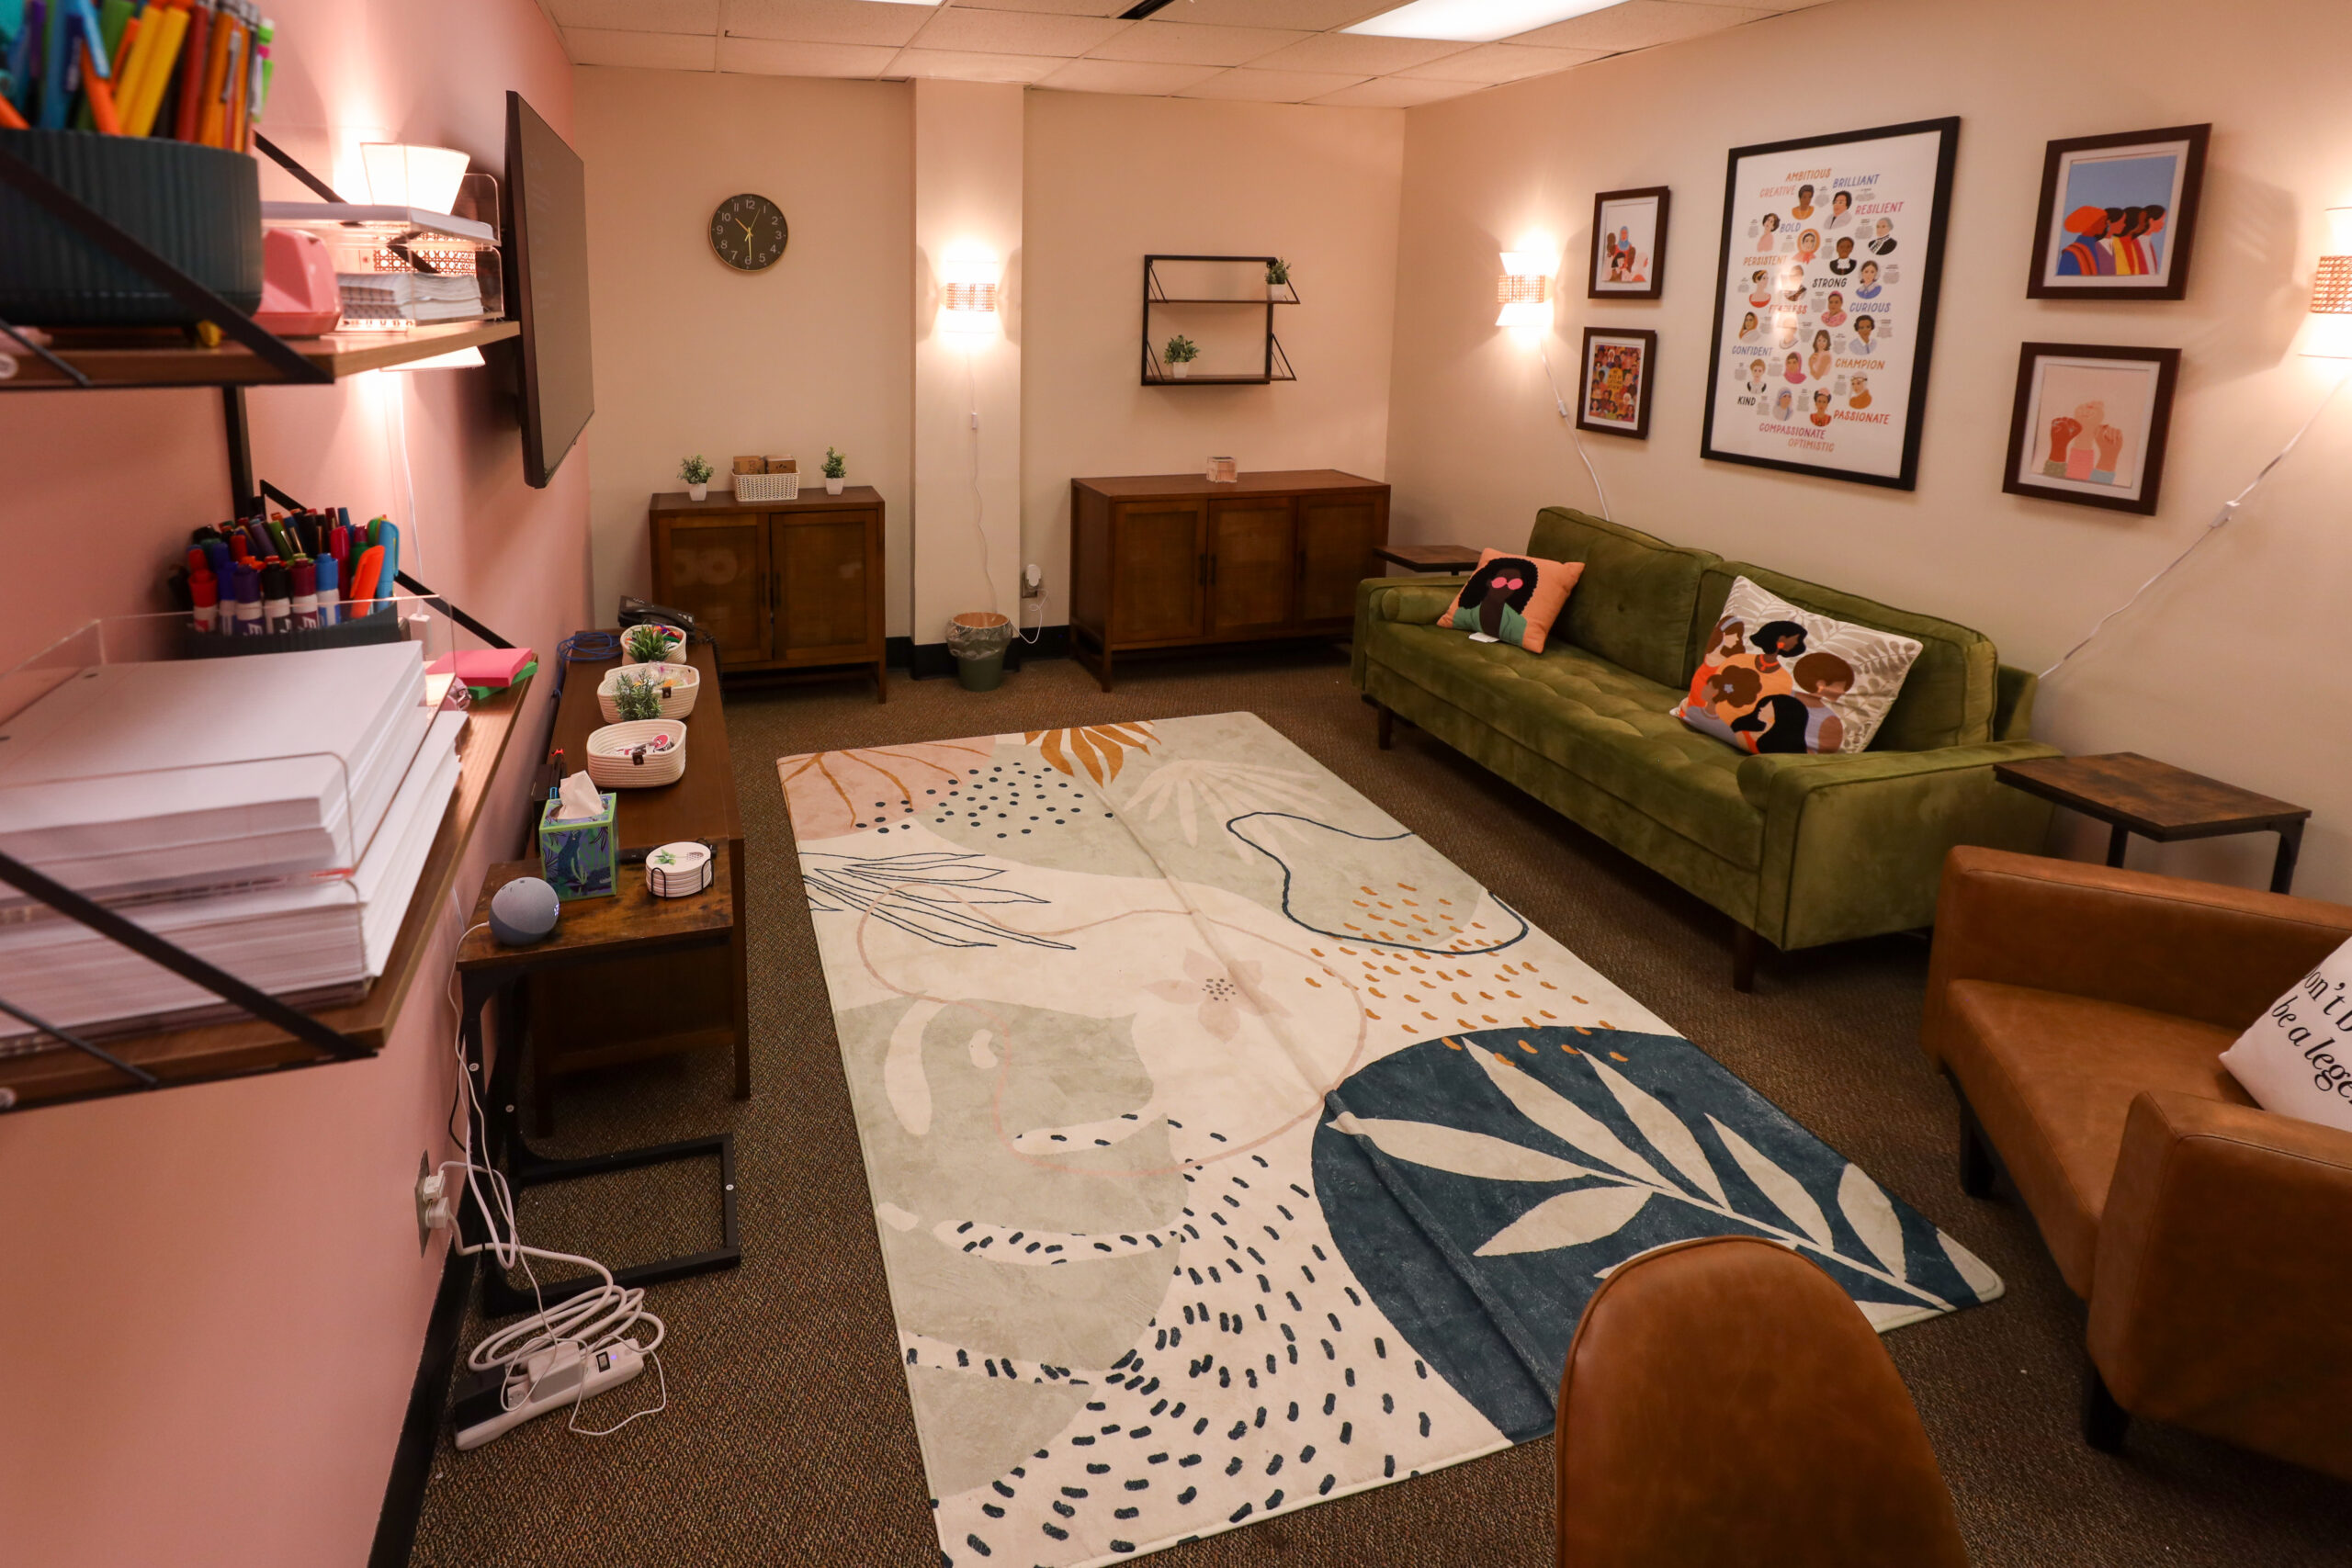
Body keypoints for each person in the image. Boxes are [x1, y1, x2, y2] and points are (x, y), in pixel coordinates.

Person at [2054, 204, 2115, 276]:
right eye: (2103, 222)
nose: (2106, 226)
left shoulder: (2100, 247)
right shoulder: (2071, 253)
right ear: (2093, 223)